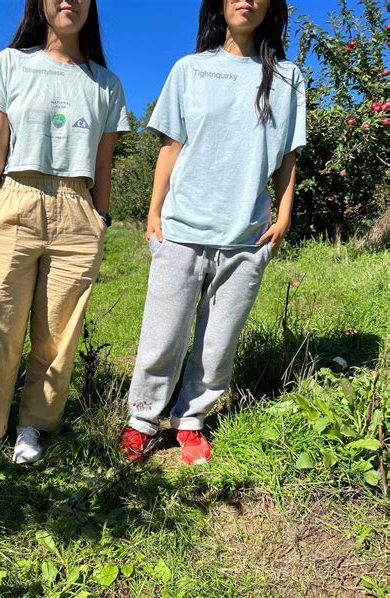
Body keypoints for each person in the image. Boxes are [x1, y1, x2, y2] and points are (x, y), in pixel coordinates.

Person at [121, 0, 306, 465]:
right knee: (162, 333)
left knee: (218, 340)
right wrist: (154, 212)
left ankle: (190, 420)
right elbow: (171, 145)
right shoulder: (190, 69)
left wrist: (283, 216)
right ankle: (142, 419)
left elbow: (287, 157)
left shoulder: (288, 77)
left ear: (271, 6)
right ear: (219, 5)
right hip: (182, 226)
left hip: (247, 234)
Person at [0, 0, 130, 463]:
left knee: (58, 335)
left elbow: (103, 163)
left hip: (78, 209)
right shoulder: (12, 63)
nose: (68, 2)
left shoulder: (105, 83)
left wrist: (100, 219)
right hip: (15, 197)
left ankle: (32, 426)